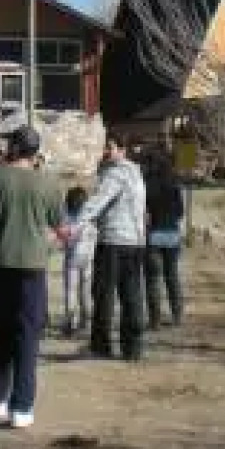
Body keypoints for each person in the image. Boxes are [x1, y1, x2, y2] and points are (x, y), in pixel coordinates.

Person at [0, 124, 68, 430]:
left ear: (14, 147)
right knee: (27, 338)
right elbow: (62, 229)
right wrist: (53, 242)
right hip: (32, 268)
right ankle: (22, 407)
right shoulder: (48, 183)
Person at [70, 133, 148, 361]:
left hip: (113, 241)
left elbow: (97, 202)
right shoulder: (136, 174)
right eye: (105, 147)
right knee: (132, 295)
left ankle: (101, 345)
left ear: (122, 150)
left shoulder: (115, 174)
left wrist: (76, 224)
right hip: (135, 242)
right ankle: (133, 348)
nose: (106, 151)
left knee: (103, 294)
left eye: (110, 147)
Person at [143, 151, 185, 329]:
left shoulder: (148, 185)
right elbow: (180, 212)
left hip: (154, 235)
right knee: (172, 276)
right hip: (172, 235)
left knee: (153, 279)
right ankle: (177, 316)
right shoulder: (175, 185)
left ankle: (155, 320)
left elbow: (144, 212)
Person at [60, 187, 95, 337]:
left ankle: (71, 323)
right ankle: (85, 321)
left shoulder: (66, 215)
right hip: (88, 257)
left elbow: (64, 235)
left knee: (71, 290)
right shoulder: (90, 215)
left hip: (72, 256)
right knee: (85, 291)